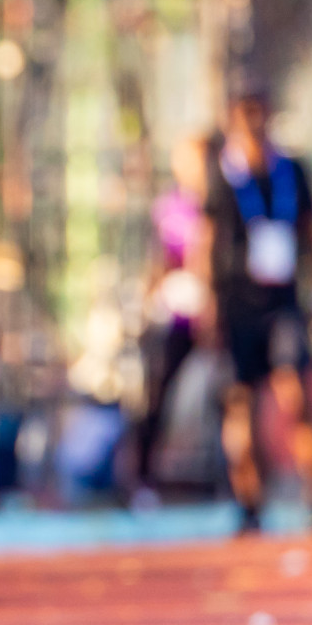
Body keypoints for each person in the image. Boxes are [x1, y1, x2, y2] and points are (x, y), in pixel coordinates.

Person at [199, 90, 312, 534]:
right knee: (242, 402)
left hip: (284, 302)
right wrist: (209, 304)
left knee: (297, 394)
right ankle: (249, 503)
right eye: (244, 117)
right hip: (239, 305)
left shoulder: (293, 171)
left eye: (259, 116)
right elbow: (206, 237)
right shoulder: (222, 174)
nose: (254, 125)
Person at [130, 135, 211, 508]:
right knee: (157, 394)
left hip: (218, 318)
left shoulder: (223, 200)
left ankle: (232, 477)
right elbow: (158, 262)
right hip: (178, 317)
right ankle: (143, 479)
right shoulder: (171, 209)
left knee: (234, 397)